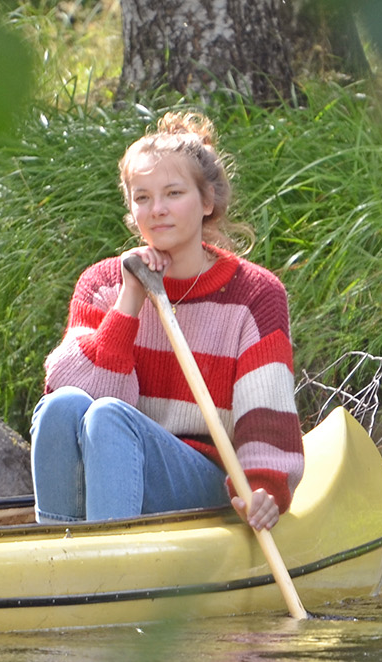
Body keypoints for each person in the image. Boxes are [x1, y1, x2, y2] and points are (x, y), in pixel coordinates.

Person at [32, 111, 302, 529]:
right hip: (109, 458)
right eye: (142, 198)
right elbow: (73, 397)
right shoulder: (103, 283)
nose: (157, 210)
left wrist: (263, 488)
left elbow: (267, 420)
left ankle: (110, 561)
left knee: (109, 417)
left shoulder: (255, 295)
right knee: (63, 405)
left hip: (203, 474)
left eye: (173, 193)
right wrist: (130, 299)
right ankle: (58, 554)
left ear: (207, 201)